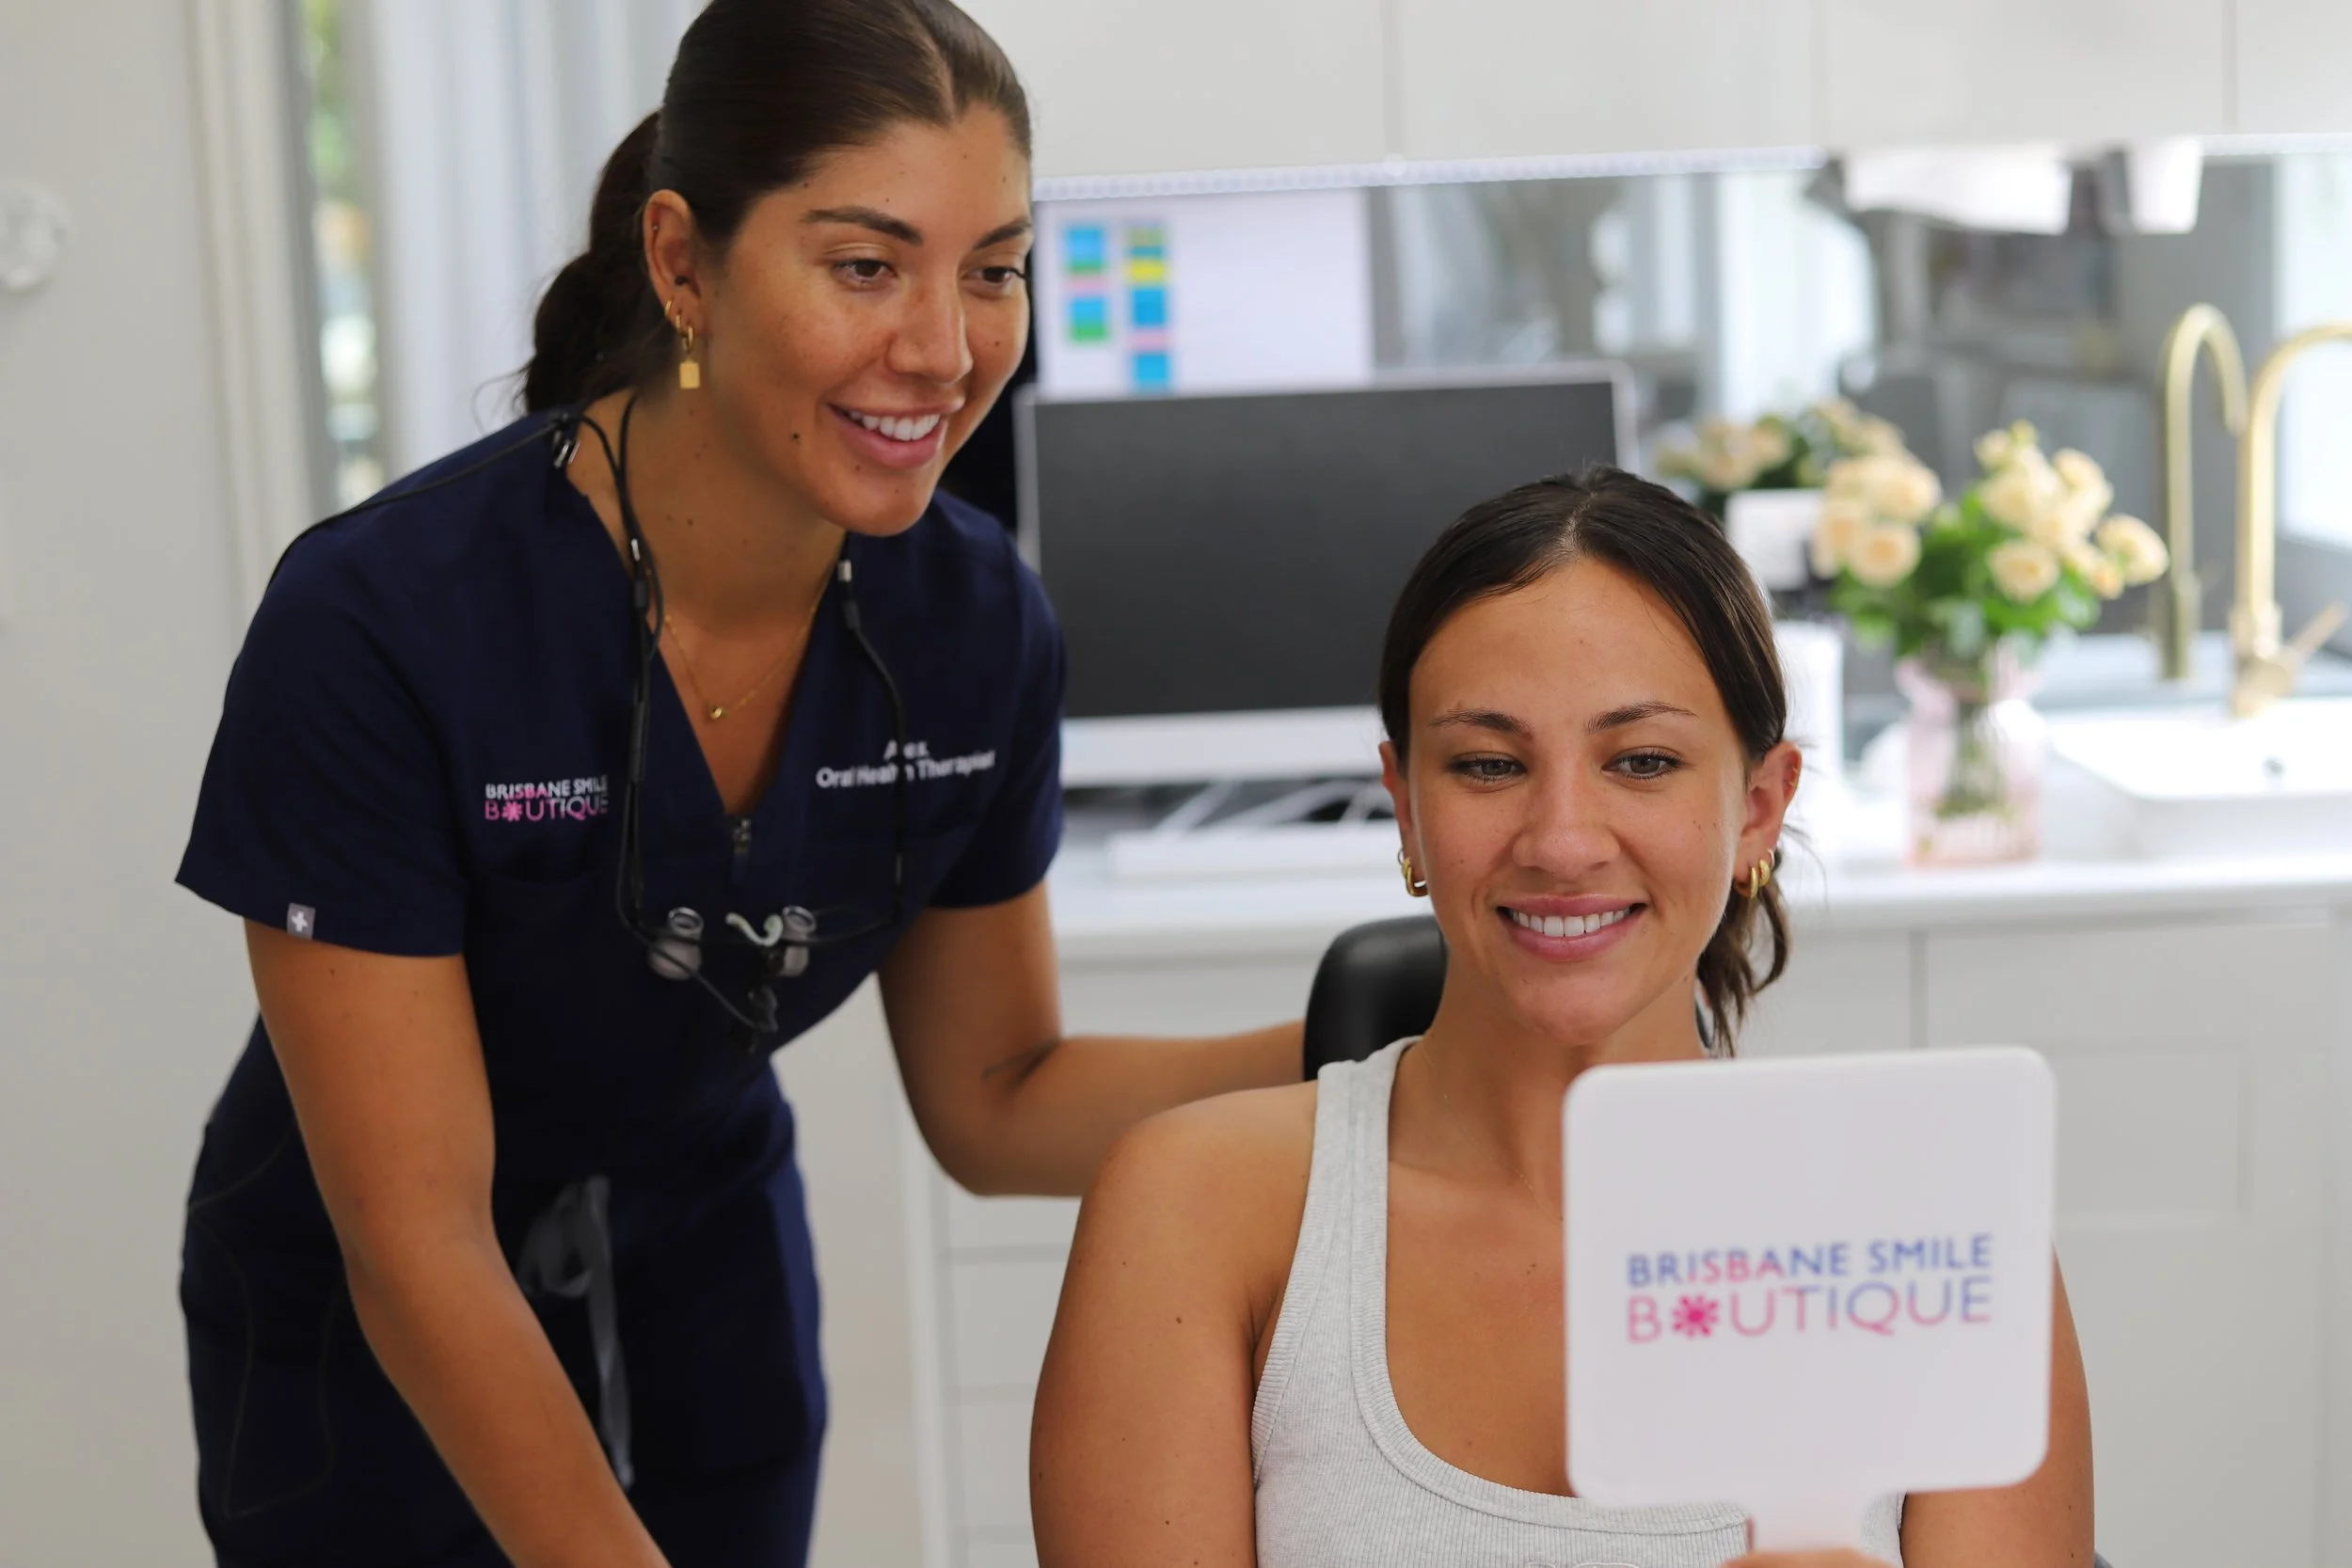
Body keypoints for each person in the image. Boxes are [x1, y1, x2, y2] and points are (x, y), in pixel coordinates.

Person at [173, 4, 1300, 1564]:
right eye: (865, 264)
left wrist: (1365, 1042)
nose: (946, 345)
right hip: (377, 1318)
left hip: (708, 1267)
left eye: (994, 266)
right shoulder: (385, 623)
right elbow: (418, 1238)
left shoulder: (973, 625)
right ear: (685, 265)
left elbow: (998, 1100)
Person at [1030, 469, 2094, 1568]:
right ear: (1404, 803)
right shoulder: (1195, 1211)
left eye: (1642, 761)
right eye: (1488, 764)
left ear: (1759, 806)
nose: (1562, 840)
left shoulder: (1933, 1236)